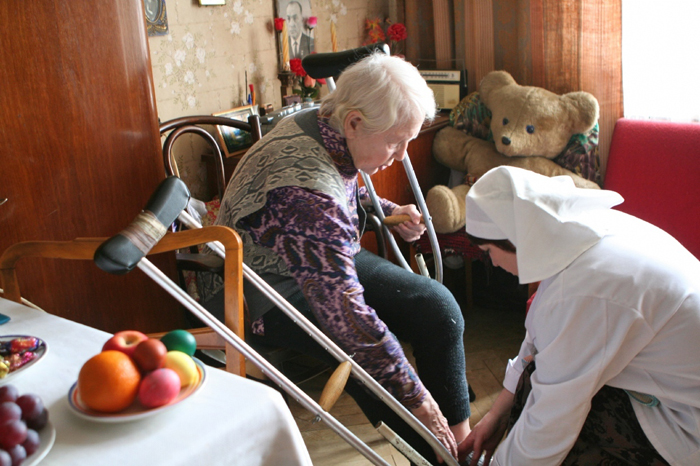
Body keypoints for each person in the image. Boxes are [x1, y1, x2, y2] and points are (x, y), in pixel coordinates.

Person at [204, 52, 472, 464]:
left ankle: (461, 447)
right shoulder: (306, 190)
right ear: (354, 123)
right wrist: (420, 402)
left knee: (436, 307)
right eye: (395, 142)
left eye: (408, 142)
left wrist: (386, 209)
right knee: (367, 370)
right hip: (264, 288)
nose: (401, 155)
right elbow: (347, 318)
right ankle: (437, 455)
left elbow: (346, 186)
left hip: (324, 258)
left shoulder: (326, 116)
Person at [459, 166, 700, 465]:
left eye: (488, 252)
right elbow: (540, 341)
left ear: (514, 241)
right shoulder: (578, 232)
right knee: (534, 382)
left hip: (687, 422)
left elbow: (551, 423)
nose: (492, 264)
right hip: (678, 390)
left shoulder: (584, 289)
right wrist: (497, 414)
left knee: (559, 424)